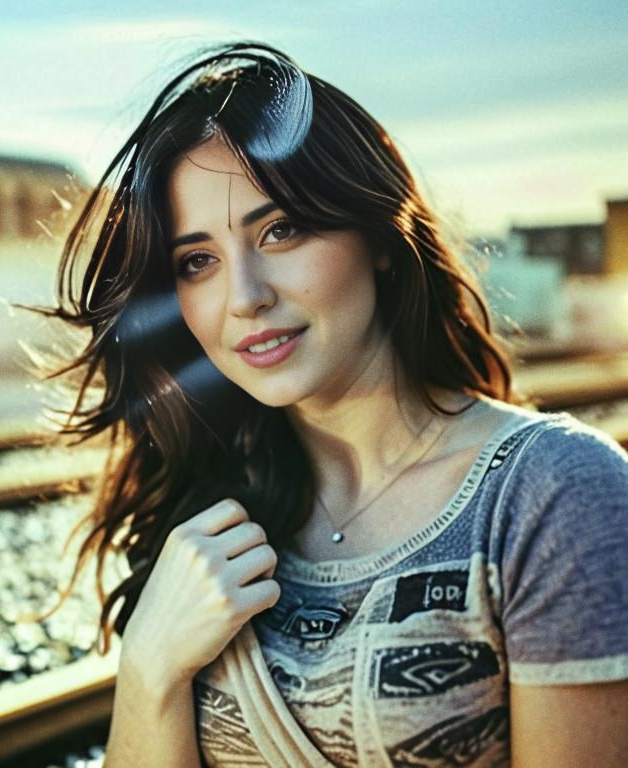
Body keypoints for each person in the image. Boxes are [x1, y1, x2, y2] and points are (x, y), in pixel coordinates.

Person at [41, 42, 628, 767]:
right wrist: (151, 670)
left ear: (379, 235)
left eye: (281, 230)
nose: (245, 297)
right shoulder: (205, 508)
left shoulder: (552, 494)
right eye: (198, 262)